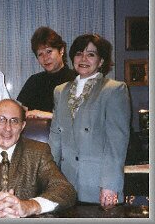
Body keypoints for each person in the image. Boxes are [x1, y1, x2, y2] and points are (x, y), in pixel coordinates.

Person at [49, 33, 131, 209]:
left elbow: (116, 143)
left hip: (98, 184)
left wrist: (110, 185)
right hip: (65, 183)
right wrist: (48, 177)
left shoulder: (114, 90)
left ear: (101, 61)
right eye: (79, 53)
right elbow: (55, 139)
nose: (83, 59)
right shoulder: (60, 91)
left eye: (91, 54)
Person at [17, 27, 76, 119]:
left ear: (61, 50)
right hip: (35, 133)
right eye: (40, 54)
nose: (45, 58)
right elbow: (20, 114)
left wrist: (43, 114)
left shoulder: (76, 79)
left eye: (49, 51)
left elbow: (80, 119)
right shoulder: (34, 81)